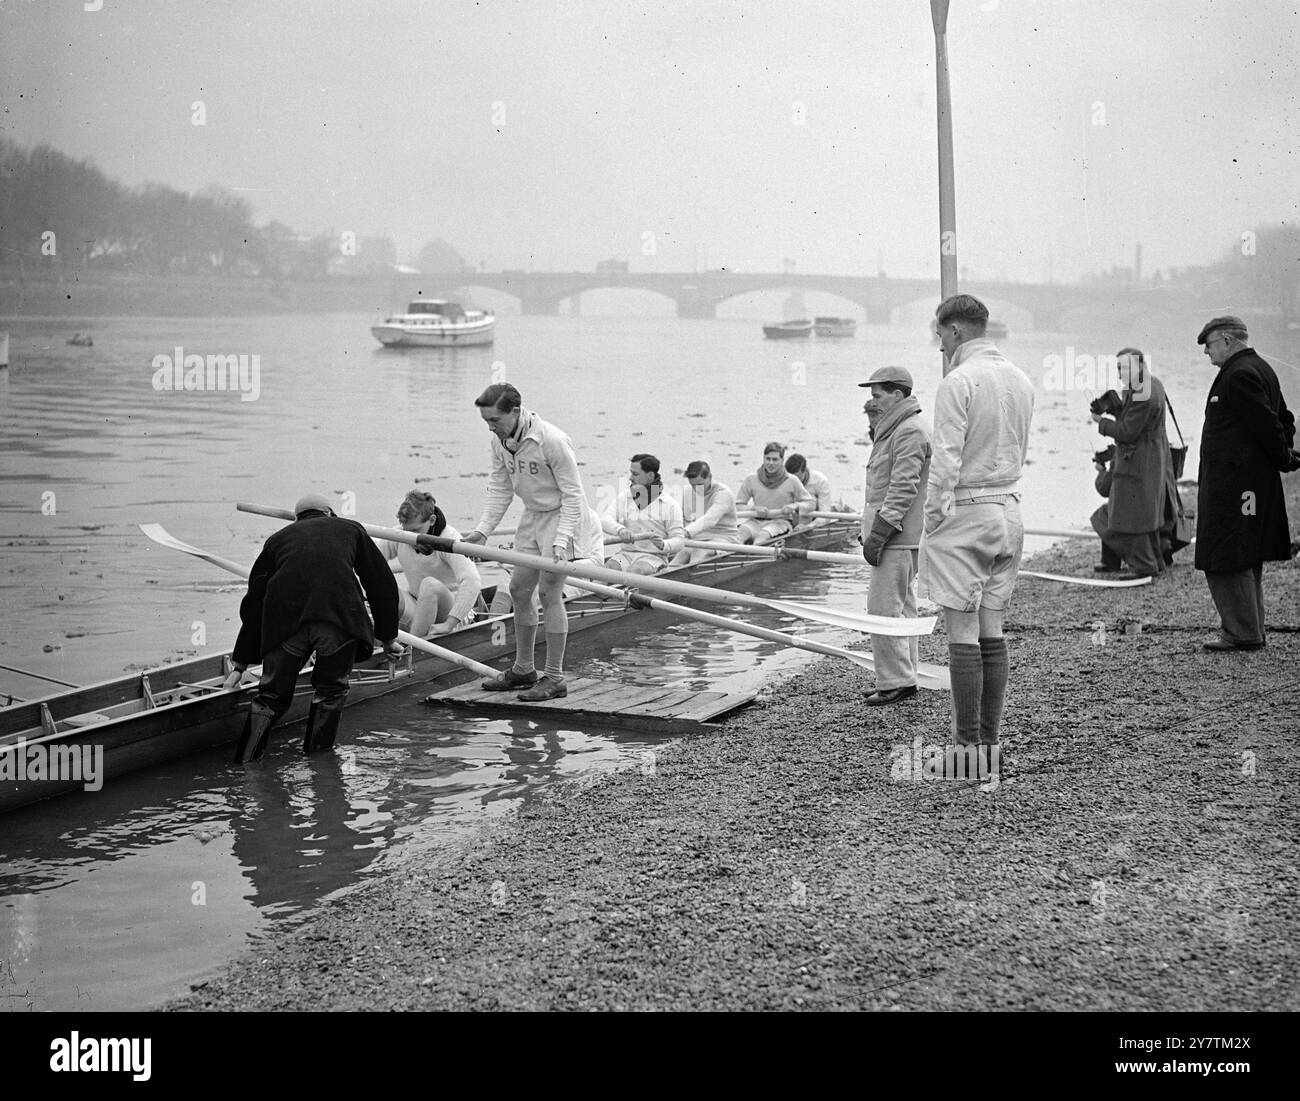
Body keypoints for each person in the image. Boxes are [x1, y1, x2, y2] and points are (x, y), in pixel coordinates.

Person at [921, 294, 1035, 776]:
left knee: (961, 632)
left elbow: (945, 458)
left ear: (955, 332)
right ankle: (989, 746)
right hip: (1009, 510)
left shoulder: (958, 380)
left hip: (967, 511)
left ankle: (967, 753)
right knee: (993, 627)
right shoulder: (1021, 379)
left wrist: (932, 517)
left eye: (940, 336)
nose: (939, 344)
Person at [228, 493, 402, 763]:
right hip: (338, 622)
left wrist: (240, 663)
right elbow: (381, 584)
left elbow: (254, 603)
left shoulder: (277, 541)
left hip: (286, 626)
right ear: (330, 513)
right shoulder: (351, 529)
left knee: (270, 698)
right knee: (330, 692)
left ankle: (245, 763)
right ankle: (319, 765)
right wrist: (388, 638)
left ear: (297, 519)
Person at [463, 382, 601, 699]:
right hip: (532, 516)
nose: (490, 427)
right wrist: (483, 530)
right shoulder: (499, 441)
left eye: (494, 420)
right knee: (518, 589)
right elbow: (500, 487)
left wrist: (561, 539)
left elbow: (573, 494)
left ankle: (554, 678)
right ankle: (524, 669)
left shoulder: (551, 440)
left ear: (515, 412)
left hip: (563, 517)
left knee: (549, 592)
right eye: (486, 421)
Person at [1194, 316, 1298, 652]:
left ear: (1226, 340)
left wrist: (1283, 457)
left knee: (1227, 550)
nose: (1207, 353)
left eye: (1209, 345)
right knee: (1245, 548)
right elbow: (1284, 417)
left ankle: (1242, 632)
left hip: (1235, 485)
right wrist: (1284, 455)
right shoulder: (1260, 368)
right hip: (1248, 484)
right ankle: (1250, 627)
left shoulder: (1238, 375)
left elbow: (1270, 423)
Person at [858, 366, 932, 706]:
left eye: (877, 394)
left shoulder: (908, 431)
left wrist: (879, 534)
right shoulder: (898, 428)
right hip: (901, 536)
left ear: (898, 394)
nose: (872, 401)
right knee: (903, 609)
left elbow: (903, 488)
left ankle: (896, 681)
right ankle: (904, 675)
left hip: (898, 537)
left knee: (883, 609)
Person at [1089, 348, 1181, 579]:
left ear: (1140, 366)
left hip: (1139, 460)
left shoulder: (1142, 393)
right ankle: (1143, 562)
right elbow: (1137, 421)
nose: (1121, 372)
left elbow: (1128, 431)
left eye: (1126, 367)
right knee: (1137, 512)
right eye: (1119, 367)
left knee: (1131, 515)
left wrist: (1101, 422)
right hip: (1149, 457)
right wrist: (1117, 408)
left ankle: (1144, 567)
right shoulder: (1150, 384)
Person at [375, 490, 482, 637]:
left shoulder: (449, 538)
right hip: (418, 605)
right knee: (381, 584)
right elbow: (371, 560)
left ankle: (411, 650)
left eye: (415, 531)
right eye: (406, 531)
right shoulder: (400, 534)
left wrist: (449, 624)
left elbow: (472, 581)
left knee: (429, 585)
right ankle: (386, 642)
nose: (410, 538)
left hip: (451, 614)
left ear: (431, 520)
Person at [602, 453, 687, 574]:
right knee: (607, 570)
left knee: (635, 571)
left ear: (650, 476)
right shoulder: (625, 497)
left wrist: (664, 545)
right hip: (626, 555)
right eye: (631, 473)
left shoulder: (670, 505)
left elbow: (679, 541)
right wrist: (620, 530)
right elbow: (605, 519)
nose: (630, 478)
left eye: (635, 474)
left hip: (653, 558)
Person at [735, 442, 813, 544]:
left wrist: (795, 506)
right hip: (755, 521)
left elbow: (810, 504)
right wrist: (753, 508)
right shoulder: (751, 479)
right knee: (739, 535)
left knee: (761, 538)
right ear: (763, 459)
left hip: (780, 522)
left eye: (775, 459)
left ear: (782, 461)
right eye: (768, 459)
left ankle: (755, 554)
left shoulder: (792, 480)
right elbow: (738, 505)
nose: (771, 463)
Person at [672, 460, 741, 564]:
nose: (696, 489)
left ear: (709, 477)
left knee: (698, 552)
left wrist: (686, 532)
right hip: (700, 537)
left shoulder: (723, 494)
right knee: (681, 554)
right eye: (693, 485)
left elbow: (709, 519)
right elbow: (682, 518)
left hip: (724, 538)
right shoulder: (689, 491)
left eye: (700, 484)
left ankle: (692, 576)